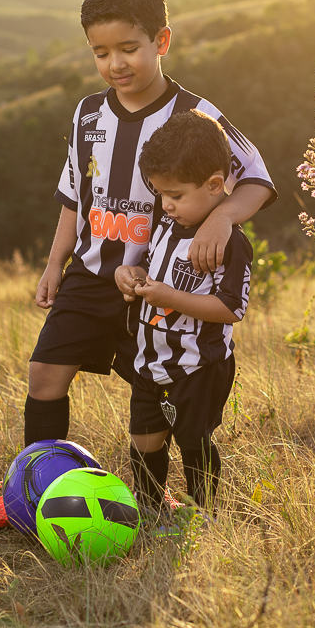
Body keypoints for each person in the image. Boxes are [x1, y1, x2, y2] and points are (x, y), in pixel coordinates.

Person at [0, 0, 274, 528]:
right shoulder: (87, 115)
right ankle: (32, 500)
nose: (115, 64)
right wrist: (53, 263)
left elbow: (257, 179)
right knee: (43, 376)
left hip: (159, 281)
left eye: (128, 49)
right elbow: (73, 199)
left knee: (158, 404)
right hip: (90, 276)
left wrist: (221, 219)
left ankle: (165, 502)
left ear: (162, 41)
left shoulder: (197, 115)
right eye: (100, 53)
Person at [114, 110, 251, 516]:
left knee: (193, 439)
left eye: (175, 195)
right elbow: (154, 273)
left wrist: (171, 298)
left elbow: (230, 308)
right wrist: (132, 274)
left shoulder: (228, 242)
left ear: (213, 185)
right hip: (149, 360)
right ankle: (151, 507)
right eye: (159, 194)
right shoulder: (167, 225)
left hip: (198, 366)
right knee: (143, 438)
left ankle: (203, 511)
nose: (165, 204)